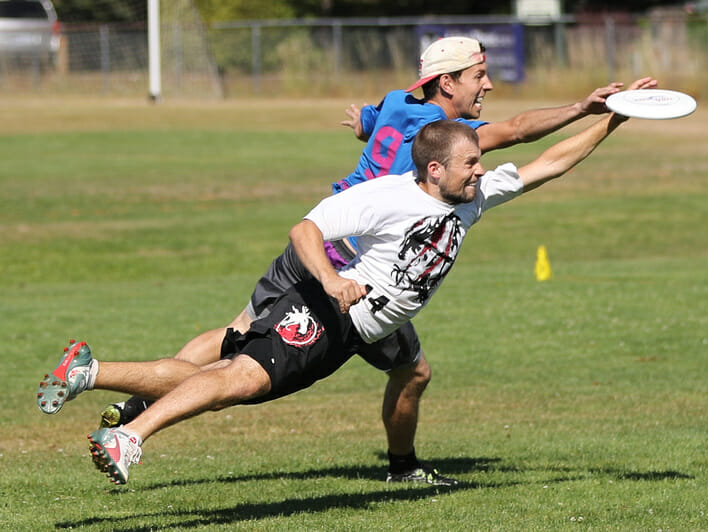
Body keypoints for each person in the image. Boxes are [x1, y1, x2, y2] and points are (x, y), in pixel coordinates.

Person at [97, 36, 658, 485]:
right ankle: (126, 415)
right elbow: (308, 227)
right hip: (336, 285)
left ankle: (402, 467)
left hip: (361, 303)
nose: (481, 166)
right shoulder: (405, 184)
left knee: (389, 369)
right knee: (237, 369)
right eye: (478, 76)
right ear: (437, 165)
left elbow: (550, 163)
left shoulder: (424, 135)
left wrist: (615, 118)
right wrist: (332, 280)